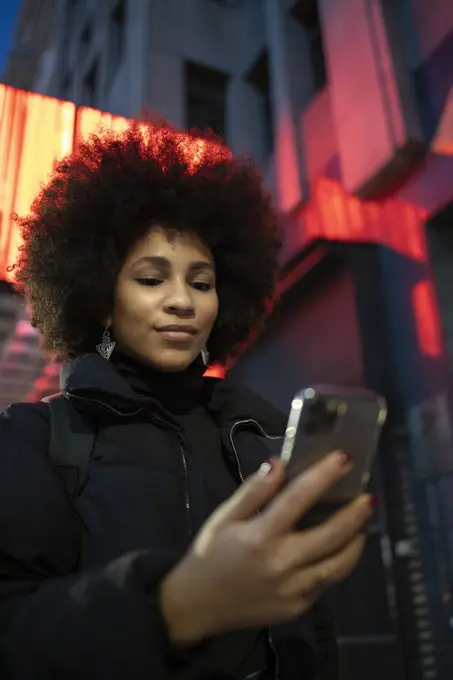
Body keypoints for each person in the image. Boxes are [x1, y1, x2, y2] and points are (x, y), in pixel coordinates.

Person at [0, 122, 373, 680]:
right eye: (151, 279)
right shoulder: (35, 440)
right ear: (101, 299)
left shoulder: (262, 432)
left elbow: (309, 623)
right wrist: (173, 607)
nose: (182, 301)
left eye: (202, 284)